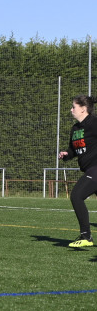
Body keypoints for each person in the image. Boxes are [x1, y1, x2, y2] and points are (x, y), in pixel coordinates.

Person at [59, 95, 97, 247]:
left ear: (83, 109)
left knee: (76, 196)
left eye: (73, 107)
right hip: (89, 169)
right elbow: (74, 149)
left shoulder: (94, 123)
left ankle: (86, 236)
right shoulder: (75, 128)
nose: (71, 109)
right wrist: (67, 154)